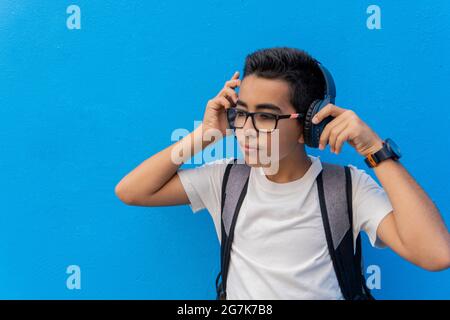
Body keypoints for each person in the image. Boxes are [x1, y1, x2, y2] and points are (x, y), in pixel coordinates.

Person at [115, 47, 450, 299]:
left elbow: (436, 254)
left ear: (309, 125)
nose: (246, 129)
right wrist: (204, 135)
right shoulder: (226, 180)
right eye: (241, 113)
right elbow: (132, 191)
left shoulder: (348, 188)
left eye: (265, 117)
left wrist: (374, 150)